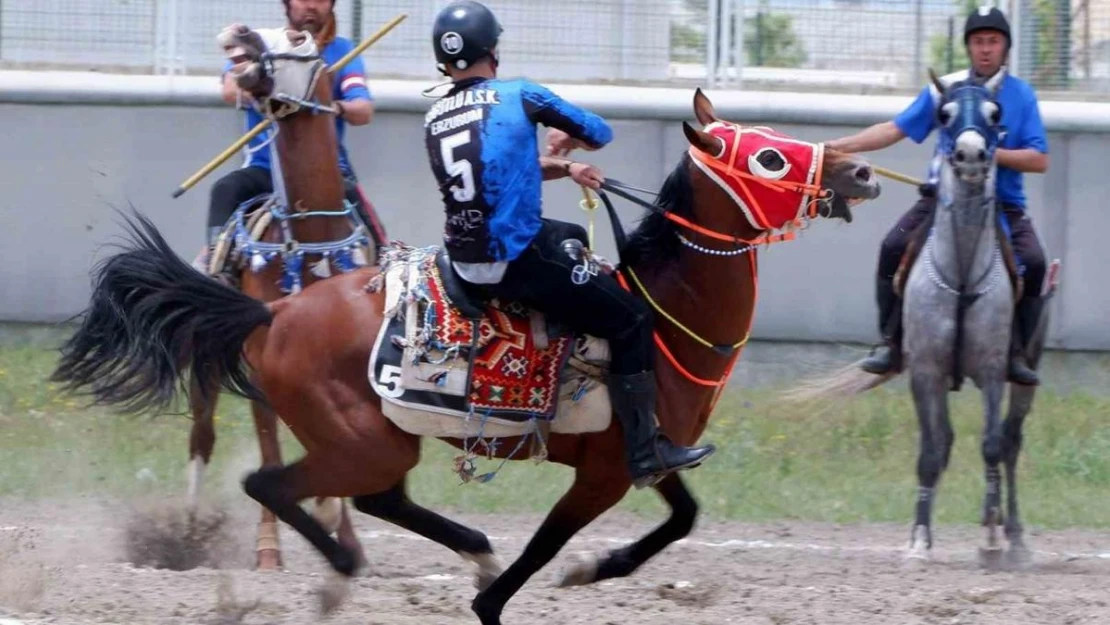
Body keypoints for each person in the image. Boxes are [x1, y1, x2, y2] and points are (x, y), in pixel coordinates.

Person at [422, 0, 716, 488]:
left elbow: (494, 172)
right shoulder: (520, 94)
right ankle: (646, 452)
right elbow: (599, 132)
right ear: (493, 50)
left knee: (573, 235)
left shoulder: (434, 114)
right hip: (517, 260)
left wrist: (562, 167)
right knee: (631, 318)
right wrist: (567, 141)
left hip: (464, 263)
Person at [826, 6, 1049, 386]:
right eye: (978, 41)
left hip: (1002, 205)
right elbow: (894, 129)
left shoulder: (1021, 95)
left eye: (993, 42)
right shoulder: (944, 89)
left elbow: (1038, 158)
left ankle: (1016, 354)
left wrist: (983, 151)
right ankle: (891, 344)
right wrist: (834, 147)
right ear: (968, 47)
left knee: (1035, 262)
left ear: (1006, 48)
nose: (985, 49)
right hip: (941, 201)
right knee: (892, 246)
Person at [195, 0, 386, 271]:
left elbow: (363, 110)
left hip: (327, 173)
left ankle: (384, 269)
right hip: (264, 170)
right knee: (225, 189)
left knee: (364, 215)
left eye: (320, 0)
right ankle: (215, 272)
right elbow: (229, 89)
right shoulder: (267, 44)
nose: (311, 6)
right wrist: (268, 93)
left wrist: (333, 106)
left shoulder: (343, 50)